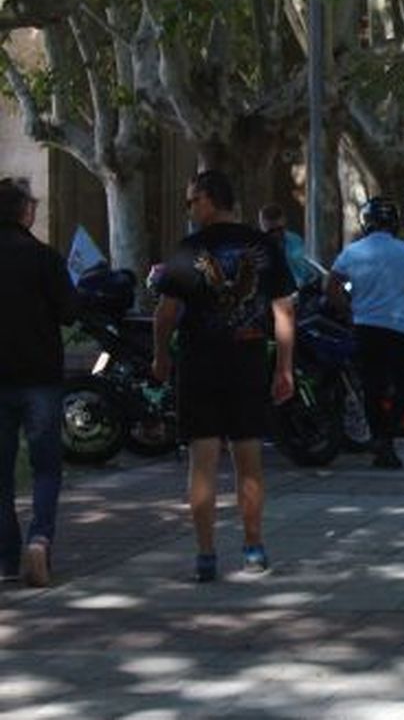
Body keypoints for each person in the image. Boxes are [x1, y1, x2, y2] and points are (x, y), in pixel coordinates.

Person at [152, 171, 296, 582]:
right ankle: (253, 548)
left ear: (210, 200)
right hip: (248, 361)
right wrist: (284, 367)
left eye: (191, 201)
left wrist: (161, 357)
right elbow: (284, 311)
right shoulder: (264, 246)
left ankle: (206, 554)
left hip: (199, 363)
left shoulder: (189, 250)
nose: (190, 209)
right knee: (248, 460)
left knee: (203, 461)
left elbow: (164, 314)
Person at [0, 177, 74, 587]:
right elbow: (69, 312)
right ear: (25, 212)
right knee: (47, 468)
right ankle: (40, 539)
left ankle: (7, 559)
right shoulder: (45, 258)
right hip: (40, 377)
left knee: (2, 473)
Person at [327, 196, 404, 470]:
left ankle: (380, 438)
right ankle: (387, 436)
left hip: (365, 327)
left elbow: (332, 287)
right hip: (398, 328)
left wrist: (349, 311)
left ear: (365, 222)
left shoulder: (352, 252)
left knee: (372, 387)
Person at [257, 203, 318, 288]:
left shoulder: (295, 241)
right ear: (262, 226)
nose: (276, 235)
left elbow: (310, 271)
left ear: (284, 221)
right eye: (271, 231)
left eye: (279, 229)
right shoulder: (257, 248)